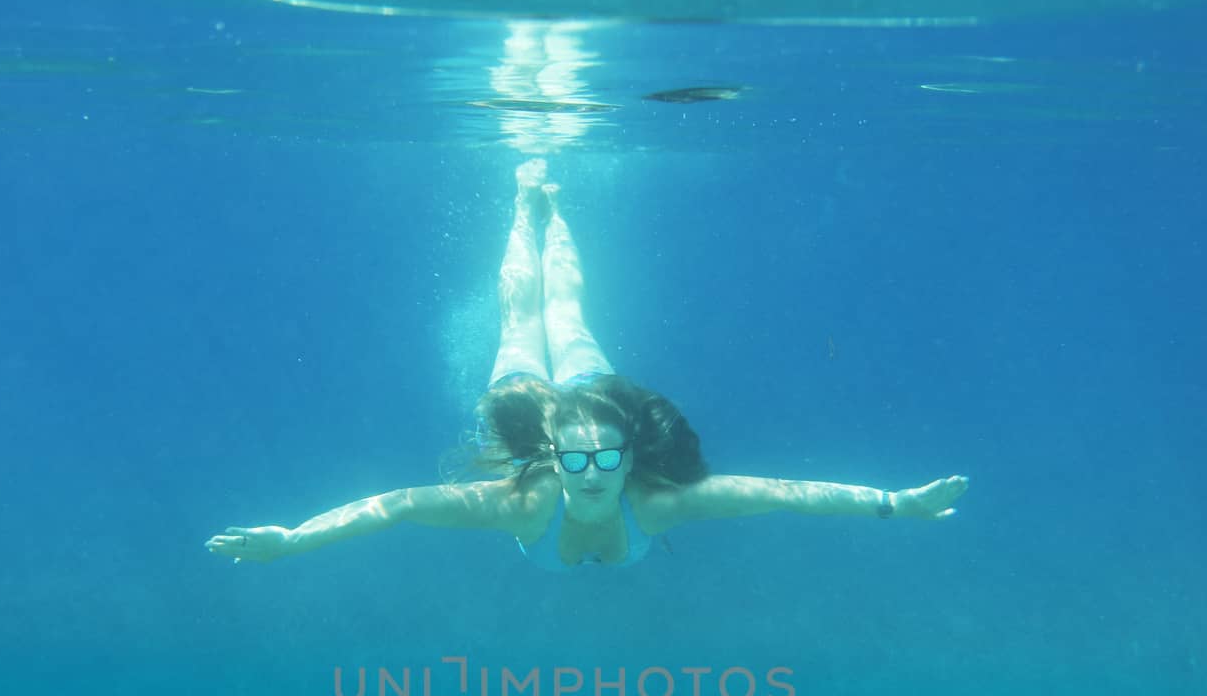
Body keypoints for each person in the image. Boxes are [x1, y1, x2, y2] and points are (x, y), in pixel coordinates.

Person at [206, 160, 966, 572]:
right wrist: (294, 540)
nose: (595, 472)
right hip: (533, 403)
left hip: (580, 393)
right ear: (558, 458)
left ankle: (555, 211)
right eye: (579, 459)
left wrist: (897, 504)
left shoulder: (655, 500)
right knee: (520, 313)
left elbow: (781, 494)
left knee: (561, 313)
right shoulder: (524, 502)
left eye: (607, 455)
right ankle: (521, 205)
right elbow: (395, 505)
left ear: (630, 450)